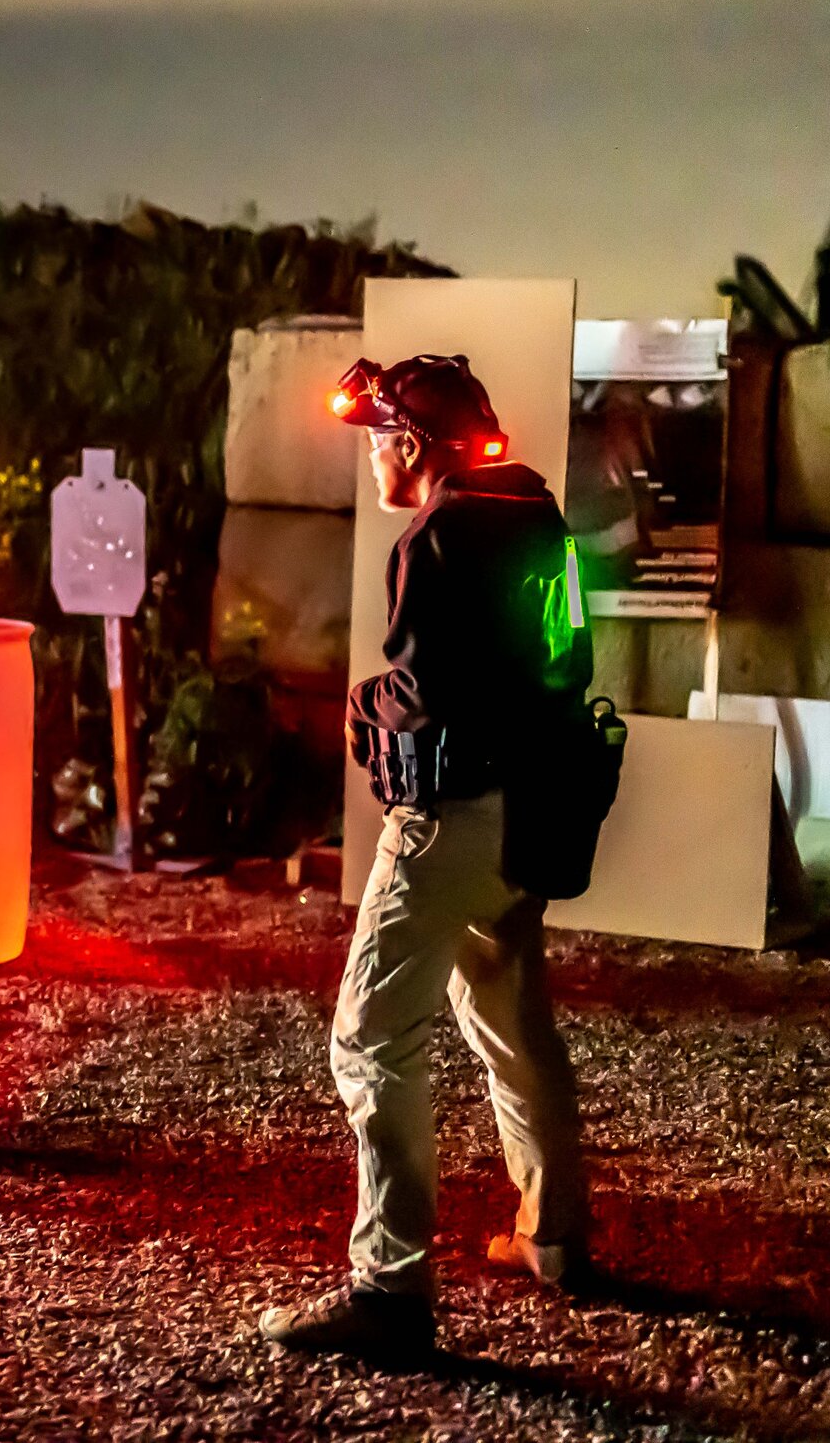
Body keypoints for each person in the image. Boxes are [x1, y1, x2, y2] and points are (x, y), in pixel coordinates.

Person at [261, 354, 595, 1360]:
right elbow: (570, 657)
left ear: (411, 444)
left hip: (448, 818)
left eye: (377, 439)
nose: (371, 457)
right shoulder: (538, 516)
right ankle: (553, 1235)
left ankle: (389, 1290)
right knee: (508, 1021)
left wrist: (362, 703)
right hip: (533, 815)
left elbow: (421, 691)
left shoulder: (435, 534)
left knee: (369, 1040)